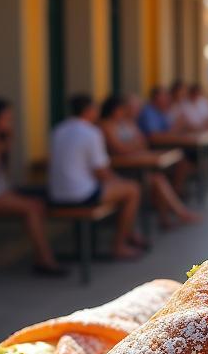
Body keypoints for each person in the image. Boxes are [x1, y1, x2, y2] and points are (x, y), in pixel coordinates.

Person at [0, 99, 65, 276]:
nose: (8, 123)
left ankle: (43, 255)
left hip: (0, 191)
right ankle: (45, 259)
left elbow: (3, 176)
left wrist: (4, 149)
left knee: (38, 202)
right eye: (5, 118)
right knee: (32, 208)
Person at [48, 94, 142, 260]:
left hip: (56, 193)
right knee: (132, 190)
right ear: (89, 111)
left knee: (122, 188)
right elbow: (102, 172)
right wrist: (120, 182)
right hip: (81, 194)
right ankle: (119, 245)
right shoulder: (91, 132)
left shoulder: (58, 130)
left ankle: (129, 234)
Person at [100, 94, 200, 227]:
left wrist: (131, 146)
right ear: (114, 109)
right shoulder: (106, 126)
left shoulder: (127, 123)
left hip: (135, 166)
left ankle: (170, 216)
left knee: (159, 178)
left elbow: (142, 143)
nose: (125, 112)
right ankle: (177, 215)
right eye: (123, 108)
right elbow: (119, 149)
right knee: (156, 180)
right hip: (120, 172)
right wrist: (133, 146)